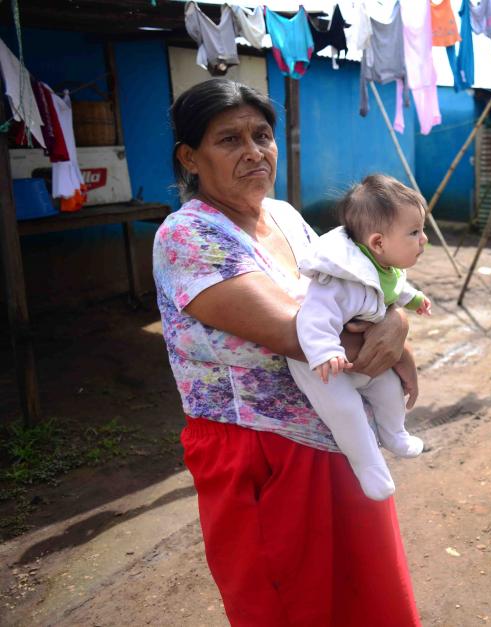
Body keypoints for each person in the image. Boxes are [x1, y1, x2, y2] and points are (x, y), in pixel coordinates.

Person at [153, 78, 421, 625]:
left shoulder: (286, 218)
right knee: (288, 606)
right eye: (230, 140)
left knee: (366, 598)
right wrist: (388, 336)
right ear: (190, 158)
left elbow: (359, 286)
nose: (254, 151)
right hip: (260, 455)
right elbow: (289, 331)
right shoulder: (187, 235)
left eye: (262, 135)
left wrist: (394, 317)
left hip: (337, 437)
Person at [287, 174, 432, 501]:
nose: (424, 240)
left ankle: (395, 433)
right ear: (378, 242)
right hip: (324, 368)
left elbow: (394, 287)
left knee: (391, 389)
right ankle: (369, 465)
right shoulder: (339, 280)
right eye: (414, 232)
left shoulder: (383, 265)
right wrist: (325, 352)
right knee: (345, 411)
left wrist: (414, 299)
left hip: (363, 358)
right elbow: (313, 315)